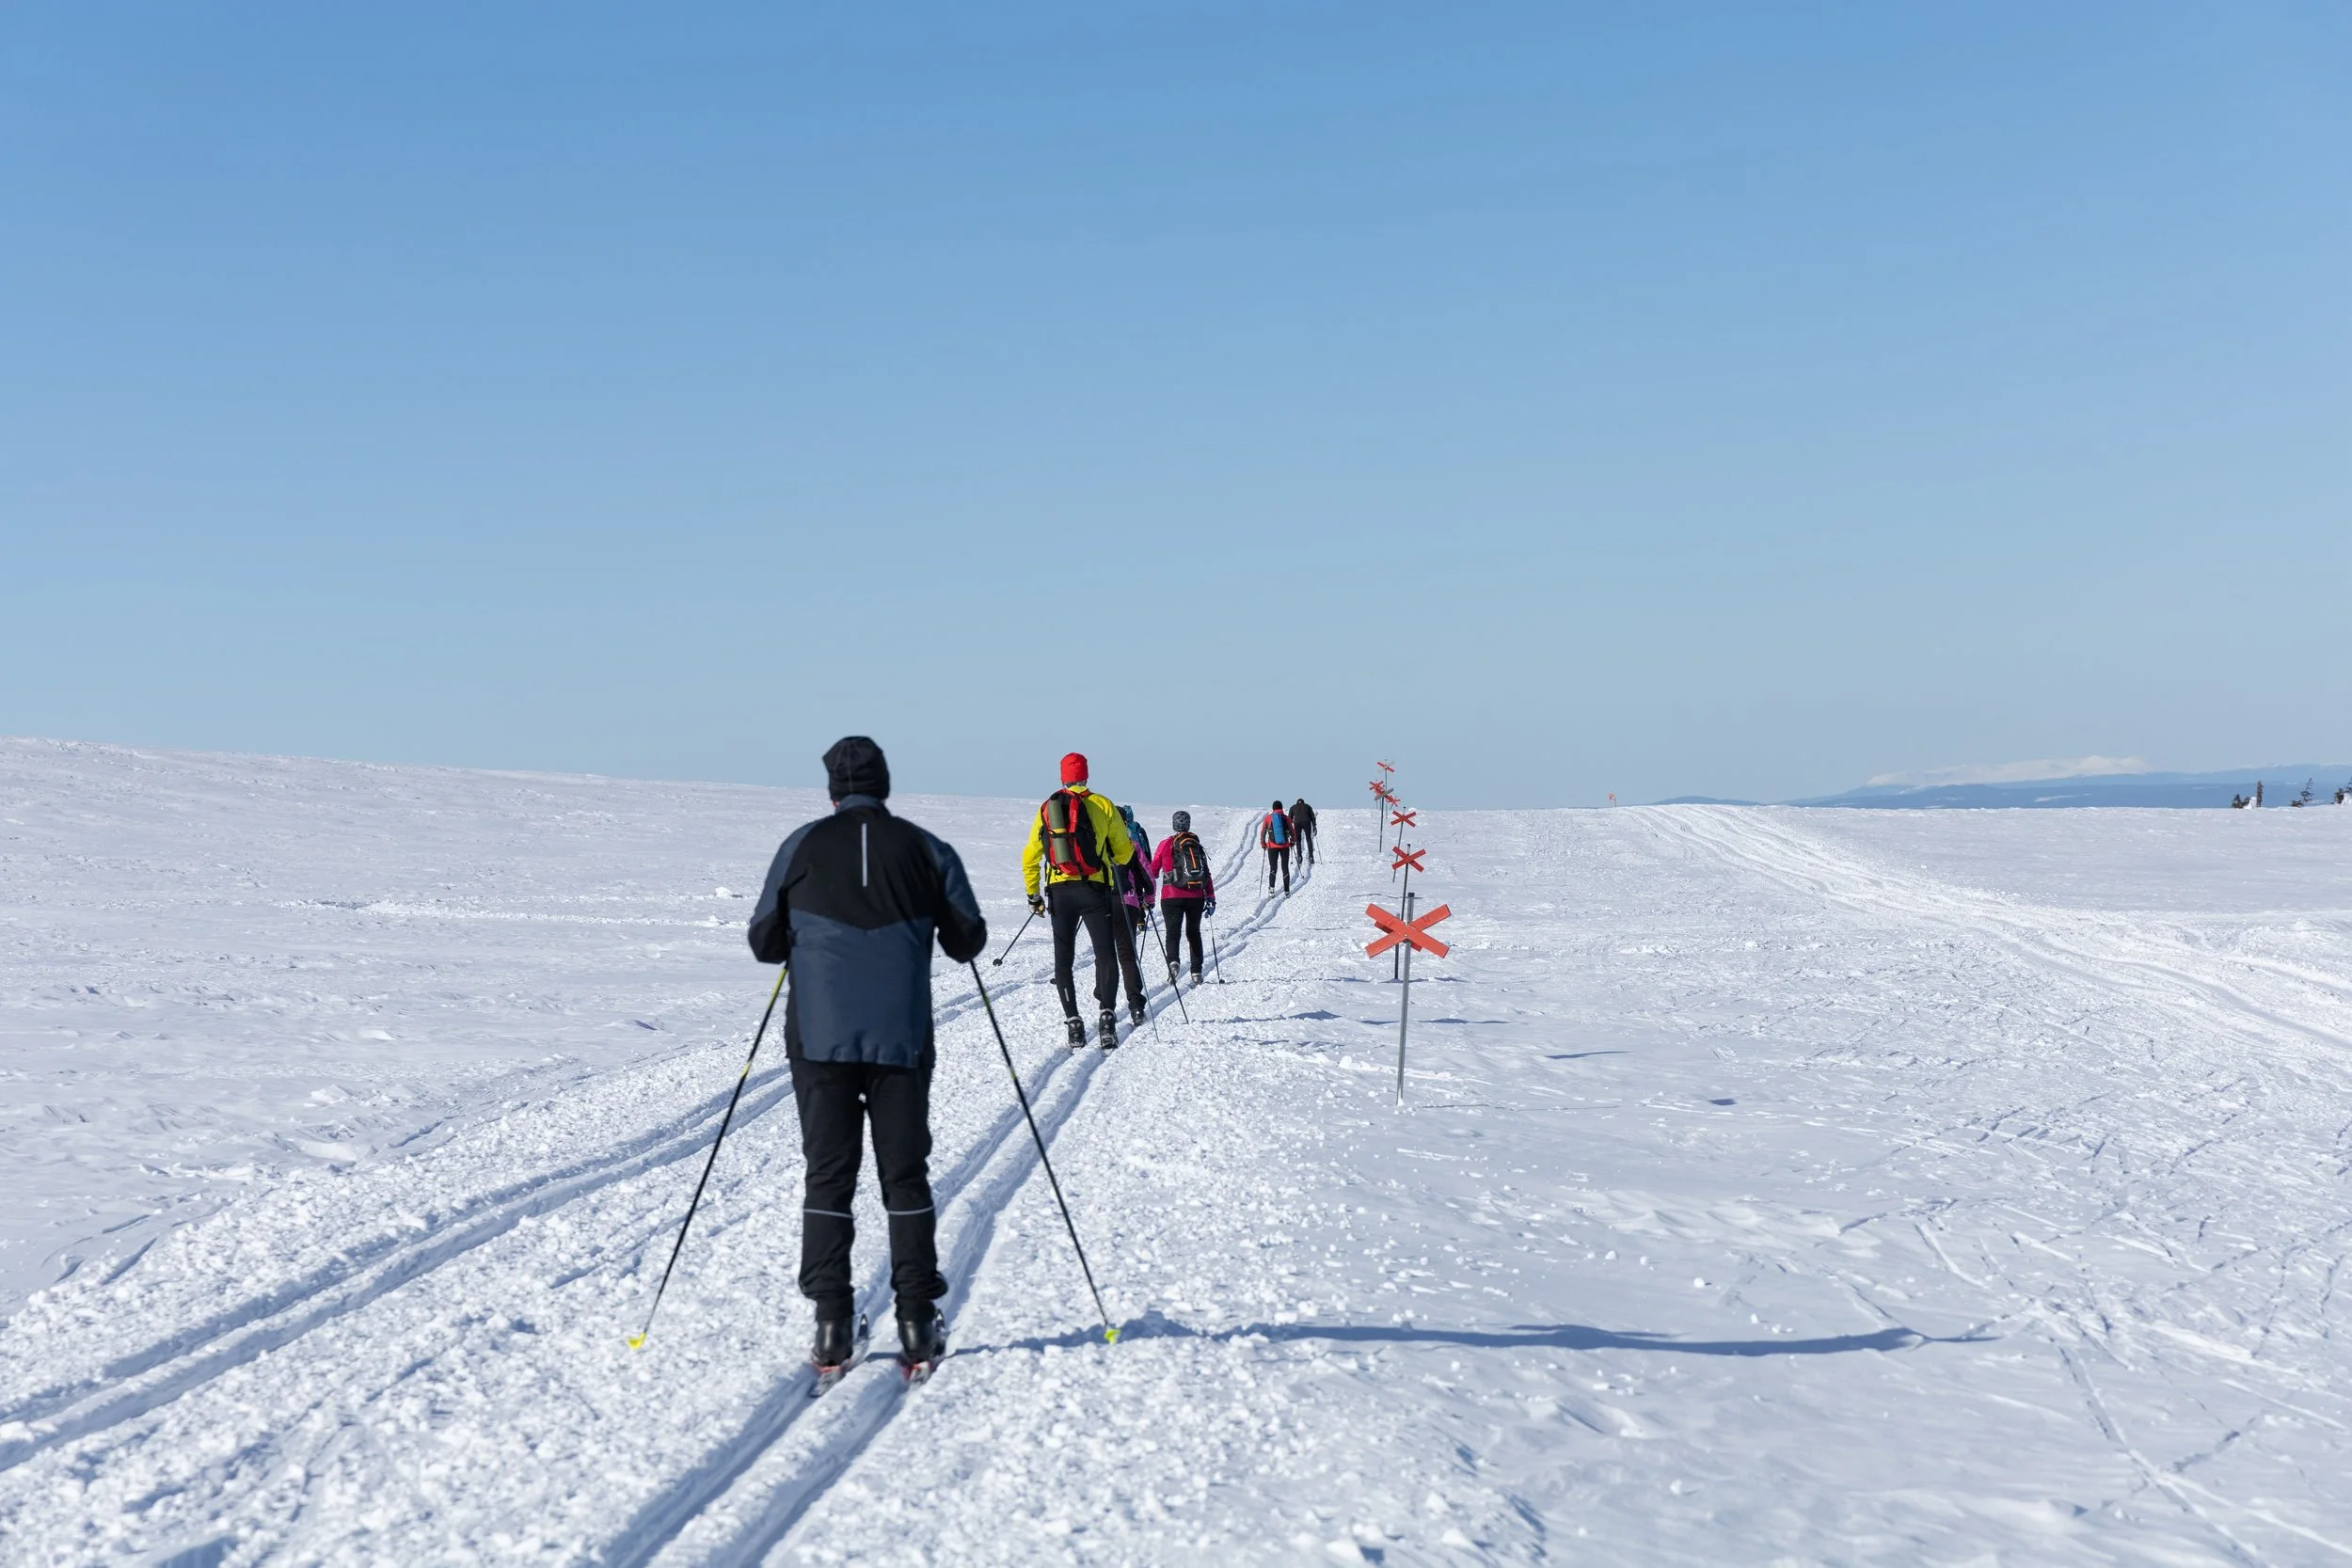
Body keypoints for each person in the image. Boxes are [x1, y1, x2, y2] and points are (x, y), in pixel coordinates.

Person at [746, 736, 987, 1380]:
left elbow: (764, 941)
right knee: (903, 1174)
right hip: (900, 1037)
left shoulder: (800, 845)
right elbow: (969, 938)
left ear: (831, 788)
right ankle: (914, 1319)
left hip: (820, 1039)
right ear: (884, 785)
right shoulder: (926, 847)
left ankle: (830, 1321)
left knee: (829, 1173)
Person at [1021, 752, 1149, 1050]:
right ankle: (1106, 1019)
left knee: (1063, 959)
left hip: (1059, 892)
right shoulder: (1102, 804)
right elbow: (1124, 852)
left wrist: (1033, 894)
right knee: (1105, 954)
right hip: (1094, 889)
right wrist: (1112, 859)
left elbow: (1030, 856)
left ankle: (1074, 1024)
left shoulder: (1048, 807)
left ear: (1062, 777)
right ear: (1086, 775)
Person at [1148, 809, 1216, 982]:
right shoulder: (1196, 845)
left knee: (1173, 931)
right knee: (1194, 932)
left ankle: (1173, 962)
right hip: (1196, 896)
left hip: (1171, 896)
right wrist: (1210, 896)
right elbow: (1206, 874)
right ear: (1188, 824)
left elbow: (1153, 871)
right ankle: (1196, 972)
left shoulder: (1166, 844)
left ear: (1174, 824)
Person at [1262, 799, 1293, 893]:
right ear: (1281, 808)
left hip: (1272, 846)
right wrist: (1293, 841)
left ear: (1273, 808)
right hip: (1285, 846)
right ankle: (1287, 890)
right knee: (1285, 867)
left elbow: (1263, 832)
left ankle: (1271, 889)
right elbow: (1292, 830)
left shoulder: (1268, 818)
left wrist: (1263, 843)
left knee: (1273, 867)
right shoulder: (1286, 818)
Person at [1289, 798, 1318, 865]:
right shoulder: (1308, 806)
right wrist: (1314, 826)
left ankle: (1299, 856)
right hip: (1307, 822)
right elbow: (1313, 817)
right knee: (1308, 839)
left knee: (1298, 840)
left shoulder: (1293, 807)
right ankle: (1311, 856)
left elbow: (1289, 818)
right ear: (1303, 802)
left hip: (1297, 823)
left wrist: (1289, 829)